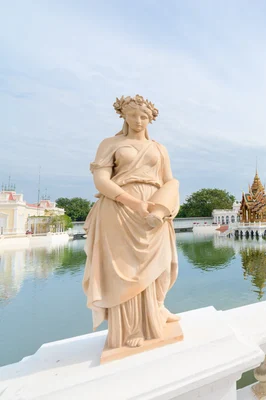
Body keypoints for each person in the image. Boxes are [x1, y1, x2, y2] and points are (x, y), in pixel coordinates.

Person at [83, 95, 180, 350]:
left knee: (161, 267)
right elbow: (102, 181)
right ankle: (132, 327)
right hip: (120, 208)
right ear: (123, 115)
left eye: (144, 116)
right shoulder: (111, 144)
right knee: (126, 271)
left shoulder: (159, 148)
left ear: (151, 119)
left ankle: (157, 309)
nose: (139, 121)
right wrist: (133, 203)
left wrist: (160, 206)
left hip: (153, 207)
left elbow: (168, 179)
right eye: (133, 115)